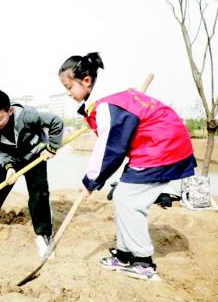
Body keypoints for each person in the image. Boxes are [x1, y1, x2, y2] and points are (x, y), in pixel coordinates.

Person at [58, 52, 196, 281]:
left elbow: (109, 150)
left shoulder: (108, 105)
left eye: (69, 86)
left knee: (129, 201)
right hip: (153, 147)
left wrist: (90, 182)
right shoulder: (112, 99)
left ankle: (142, 262)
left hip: (162, 148)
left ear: (86, 81)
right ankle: (124, 254)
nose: (68, 92)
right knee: (123, 195)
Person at [0, 90, 64, 259]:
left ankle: (44, 234)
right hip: (11, 156)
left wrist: (52, 147)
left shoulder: (27, 116)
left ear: (9, 111)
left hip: (34, 155)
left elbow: (56, 122)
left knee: (39, 192)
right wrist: (9, 167)